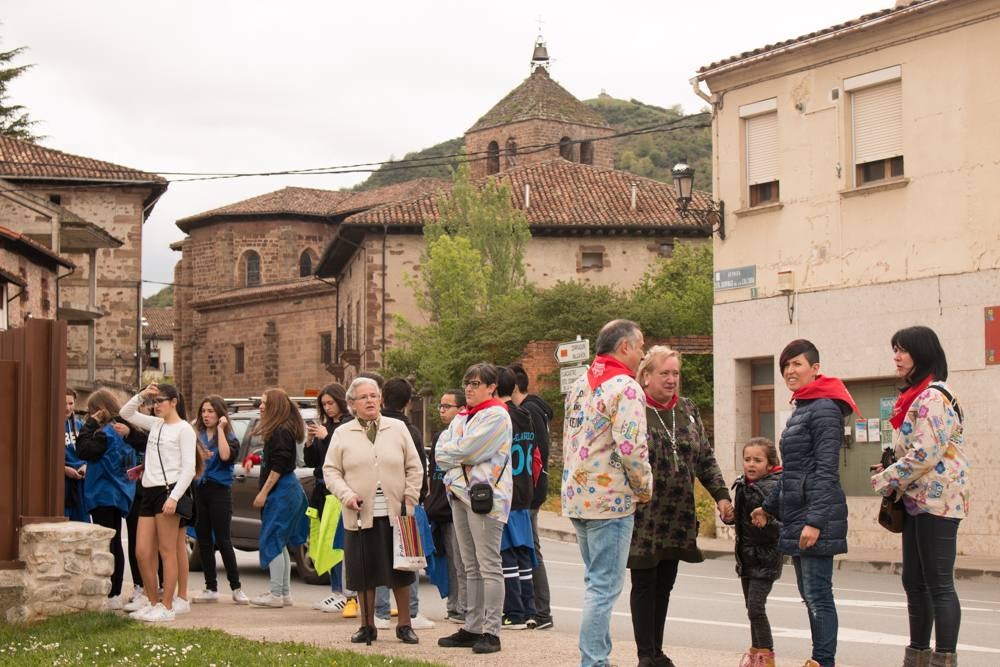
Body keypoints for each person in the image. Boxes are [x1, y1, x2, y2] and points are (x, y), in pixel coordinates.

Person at [751, 339, 859, 667]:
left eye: (797, 364)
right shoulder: (804, 407)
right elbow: (791, 471)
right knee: (810, 596)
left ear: (815, 368)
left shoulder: (824, 408)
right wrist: (768, 507)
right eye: (785, 365)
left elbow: (827, 470)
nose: (789, 370)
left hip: (814, 515)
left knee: (818, 596)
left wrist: (815, 521)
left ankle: (822, 661)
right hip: (797, 514)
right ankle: (820, 659)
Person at [627, 345, 732, 667]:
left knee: (665, 585)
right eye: (664, 373)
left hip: (678, 513)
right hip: (644, 515)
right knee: (645, 583)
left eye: (675, 373)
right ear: (646, 376)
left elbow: (704, 457)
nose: (672, 379)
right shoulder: (634, 408)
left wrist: (722, 495)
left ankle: (657, 651)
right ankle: (646, 654)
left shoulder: (687, 409)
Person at [871, 326, 969, 667]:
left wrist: (887, 477)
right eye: (894, 349)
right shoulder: (916, 396)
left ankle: (944, 659)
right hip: (916, 502)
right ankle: (917, 656)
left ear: (923, 354)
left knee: (939, 583)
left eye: (902, 350)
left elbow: (927, 452)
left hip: (938, 503)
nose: (896, 357)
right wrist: (892, 465)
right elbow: (920, 449)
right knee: (914, 580)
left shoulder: (933, 397)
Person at [563, 319, 653, 667]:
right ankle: (595, 661)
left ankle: (597, 658)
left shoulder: (581, 383)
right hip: (610, 499)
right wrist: (644, 487)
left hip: (577, 495)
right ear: (625, 347)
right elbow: (632, 446)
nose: (643, 352)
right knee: (603, 589)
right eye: (641, 345)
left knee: (595, 584)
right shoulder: (626, 388)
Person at [323, 377, 423, 645]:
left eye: (374, 395)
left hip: (397, 512)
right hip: (359, 513)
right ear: (352, 404)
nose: (370, 400)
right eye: (363, 397)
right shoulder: (343, 433)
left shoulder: (398, 428)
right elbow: (331, 470)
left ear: (380, 399)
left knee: (402, 570)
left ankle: (405, 625)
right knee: (363, 572)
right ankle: (367, 626)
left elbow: (415, 467)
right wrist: (346, 495)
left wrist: (409, 498)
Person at [436, 363, 513, 655]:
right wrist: (455, 452)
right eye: (467, 383)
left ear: (491, 387)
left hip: (485, 498)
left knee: (488, 565)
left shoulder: (495, 415)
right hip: (458, 493)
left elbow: (468, 450)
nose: (469, 388)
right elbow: (443, 447)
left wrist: (454, 452)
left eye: (476, 383)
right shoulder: (463, 416)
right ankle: (472, 625)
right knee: (470, 565)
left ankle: (491, 631)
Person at [120, 383, 197, 623]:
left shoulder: (184, 429)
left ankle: (167, 605)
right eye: (154, 402)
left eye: (160, 401)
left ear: (174, 402)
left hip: (169, 491)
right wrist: (142, 395)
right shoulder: (156, 425)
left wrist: (174, 498)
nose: (156, 406)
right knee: (142, 551)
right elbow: (126, 413)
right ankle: (152, 602)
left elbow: (189, 468)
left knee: (167, 551)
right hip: (148, 491)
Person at [374, 377, 435, 631]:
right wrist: (417, 497)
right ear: (409, 402)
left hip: (377, 500)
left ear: (382, 399)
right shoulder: (410, 431)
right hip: (405, 503)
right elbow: (418, 467)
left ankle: (380, 611)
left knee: (378, 555)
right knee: (408, 557)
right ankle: (411, 611)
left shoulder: (374, 426)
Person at [75, 388, 138, 609]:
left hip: (103, 493)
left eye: (91, 412)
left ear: (99, 411)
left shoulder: (104, 434)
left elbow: (82, 450)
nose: (88, 416)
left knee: (109, 543)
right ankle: (116, 591)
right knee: (116, 541)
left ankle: (113, 592)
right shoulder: (123, 431)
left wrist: (90, 424)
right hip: (120, 492)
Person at [249, 388, 310, 609]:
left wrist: (263, 492)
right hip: (288, 490)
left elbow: (279, 465)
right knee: (279, 541)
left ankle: (276, 594)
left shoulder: (280, 430)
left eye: (265, 402)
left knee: (273, 539)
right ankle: (283, 594)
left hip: (283, 490)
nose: (261, 406)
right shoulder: (283, 428)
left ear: (274, 405)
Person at [509, 362, 554, 630]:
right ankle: (537, 609)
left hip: (530, 493)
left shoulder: (530, 411)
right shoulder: (529, 409)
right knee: (528, 548)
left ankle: (541, 611)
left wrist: (532, 492)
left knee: (530, 549)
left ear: (514, 387)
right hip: (529, 492)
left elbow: (540, 455)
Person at [191, 395, 247, 604]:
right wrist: (199, 456)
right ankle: (210, 587)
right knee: (203, 539)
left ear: (220, 414)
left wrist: (221, 430)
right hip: (201, 490)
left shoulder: (230, 436)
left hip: (219, 491)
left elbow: (225, 456)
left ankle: (236, 587)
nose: (206, 415)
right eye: (204, 411)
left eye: (211, 411)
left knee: (223, 540)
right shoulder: (197, 435)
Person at [732, 437, 783, 667]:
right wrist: (729, 517)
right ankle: (756, 654)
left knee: (755, 607)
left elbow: (784, 525)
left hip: (766, 558)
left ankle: (766, 656)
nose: (751, 464)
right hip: (746, 557)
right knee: (750, 609)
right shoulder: (743, 486)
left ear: (770, 464)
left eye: (758, 460)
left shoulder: (773, 489)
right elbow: (741, 522)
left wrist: (768, 522)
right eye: (747, 459)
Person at [304, 383, 354, 614]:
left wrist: (326, 438)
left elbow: (337, 458)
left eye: (331, 403)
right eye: (324, 404)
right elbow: (315, 461)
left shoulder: (346, 426)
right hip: (322, 492)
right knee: (325, 543)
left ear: (340, 401)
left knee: (337, 546)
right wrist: (310, 442)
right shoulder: (328, 426)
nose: (328, 408)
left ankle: (343, 593)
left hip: (338, 492)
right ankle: (336, 591)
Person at [496, 366, 537, 630]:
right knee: (524, 554)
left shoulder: (500, 417)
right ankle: (530, 610)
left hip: (507, 492)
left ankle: (514, 612)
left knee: (507, 554)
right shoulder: (526, 415)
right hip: (525, 490)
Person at [425, 388, 467, 624]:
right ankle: (453, 604)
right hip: (438, 507)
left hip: (455, 507)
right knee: (446, 560)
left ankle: (462, 607)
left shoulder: (465, 434)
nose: (441, 410)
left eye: (446, 406)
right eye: (440, 406)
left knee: (460, 561)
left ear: (460, 409)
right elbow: (434, 474)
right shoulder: (439, 435)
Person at [63, 389, 89, 523]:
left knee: (82, 522)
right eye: (64, 403)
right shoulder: (51, 426)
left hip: (80, 480)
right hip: (63, 482)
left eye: (70, 403)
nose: (68, 407)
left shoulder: (80, 426)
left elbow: (89, 452)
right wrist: (64, 469)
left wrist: (85, 465)